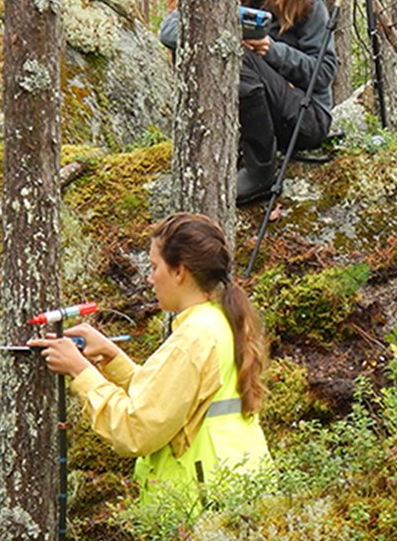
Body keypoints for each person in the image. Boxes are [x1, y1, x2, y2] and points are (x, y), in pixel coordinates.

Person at [29, 212, 271, 504]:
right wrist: (112, 356)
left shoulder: (193, 337)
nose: (150, 277)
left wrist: (81, 372)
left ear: (179, 272)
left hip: (202, 503)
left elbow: (137, 430)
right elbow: (171, 398)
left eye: (155, 267)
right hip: (235, 491)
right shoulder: (220, 320)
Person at [160, 0, 338, 205]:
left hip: (304, 119)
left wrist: (272, 51)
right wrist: (219, 25)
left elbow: (323, 73)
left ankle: (262, 170)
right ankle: (210, 142)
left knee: (238, 54)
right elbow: (168, 31)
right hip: (253, 116)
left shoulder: (308, 3)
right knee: (209, 44)